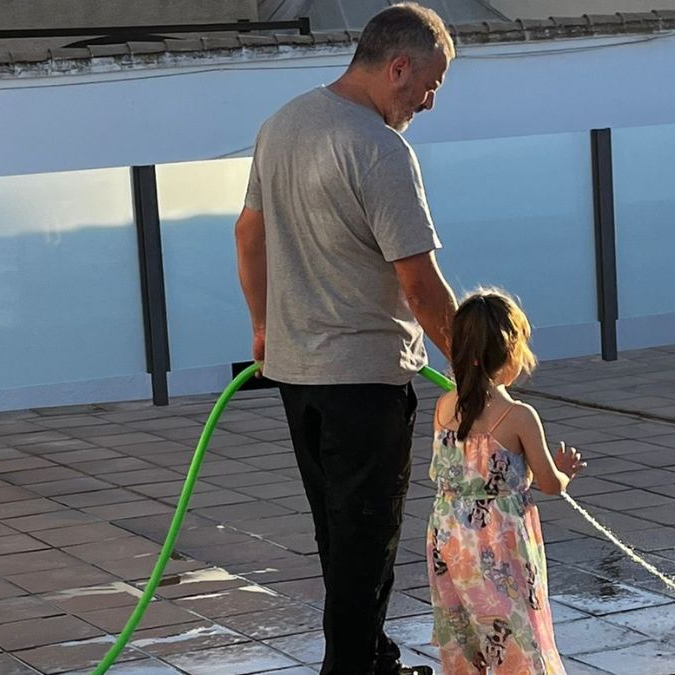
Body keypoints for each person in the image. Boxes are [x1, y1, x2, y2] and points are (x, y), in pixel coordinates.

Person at [233, 4, 459, 674]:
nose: (430, 100)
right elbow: (421, 286)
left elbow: (248, 234)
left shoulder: (283, 125)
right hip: (364, 379)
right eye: (430, 84)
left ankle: (369, 655)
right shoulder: (381, 150)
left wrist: (264, 326)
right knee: (366, 543)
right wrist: (476, 378)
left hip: (298, 376)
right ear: (398, 67)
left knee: (339, 535)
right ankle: (355, 668)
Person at [427, 290, 585, 674]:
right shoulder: (518, 416)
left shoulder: (445, 406)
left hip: (448, 537)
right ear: (511, 352)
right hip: (499, 542)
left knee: (463, 624)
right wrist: (565, 469)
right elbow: (550, 483)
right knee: (515, 625)